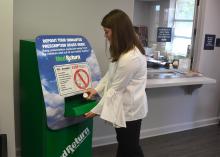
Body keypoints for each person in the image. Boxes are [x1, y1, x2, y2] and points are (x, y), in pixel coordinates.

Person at [84, 9, 148, 157]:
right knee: (124, 144)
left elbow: (115, 89)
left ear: (118, 31)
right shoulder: (122, 50)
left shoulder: (130, 58)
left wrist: (96, 110)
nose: (105, 35)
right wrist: (96, 90)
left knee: (130, 147)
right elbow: (110, 74)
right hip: (122, 107)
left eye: (107, 31)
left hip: (130, 110)